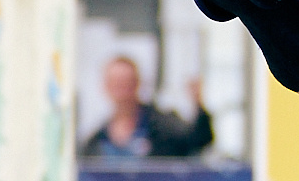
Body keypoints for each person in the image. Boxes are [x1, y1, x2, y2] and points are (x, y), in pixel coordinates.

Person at [81, 54, 213, 161]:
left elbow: (198, 140)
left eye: (126, 82)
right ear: (106, 86)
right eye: (116, 83)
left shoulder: (163, 127)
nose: (122, 90)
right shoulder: (96, 141)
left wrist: (199, 106)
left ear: (137, 83)